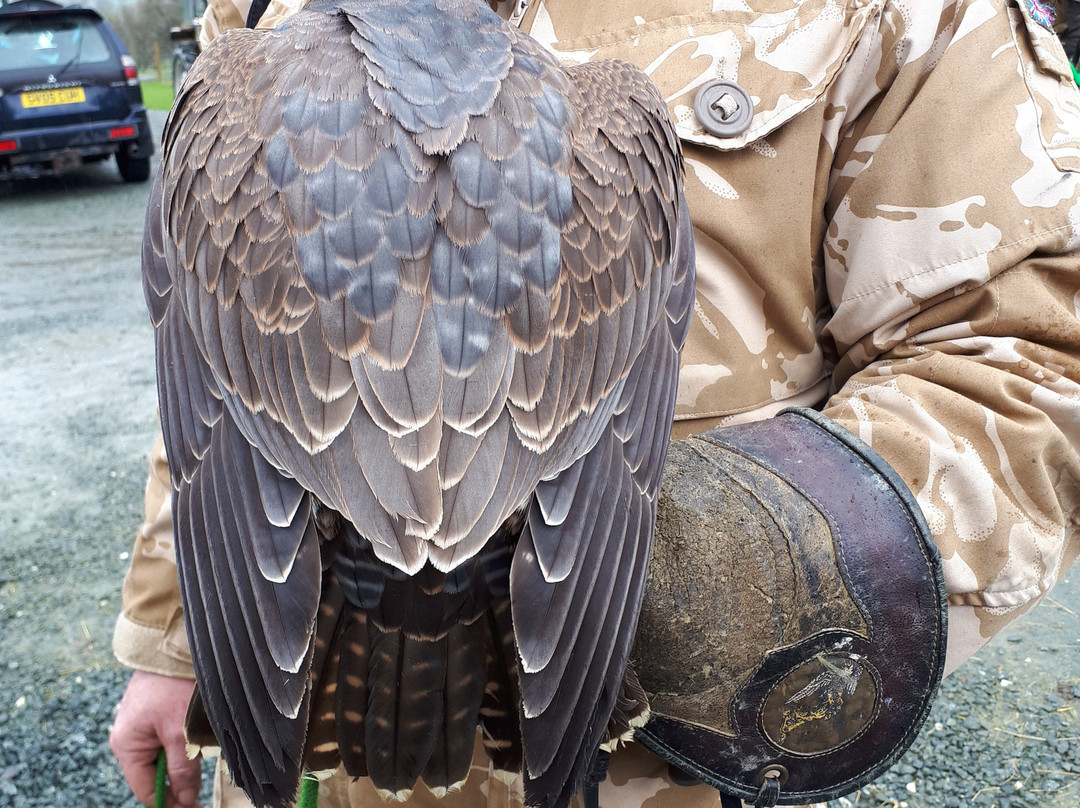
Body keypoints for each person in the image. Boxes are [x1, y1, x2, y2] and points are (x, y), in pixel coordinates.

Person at [110, 0, 1080, 805]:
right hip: (308, 711)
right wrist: (173, 640)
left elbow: (1039, 360)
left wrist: (723, 563)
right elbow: (211, 381)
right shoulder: (272, 22)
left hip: (635, 757)